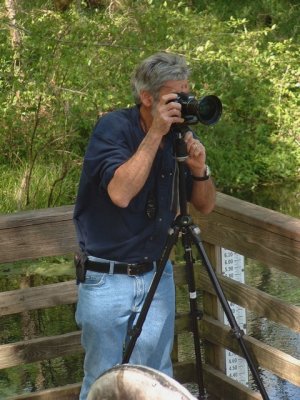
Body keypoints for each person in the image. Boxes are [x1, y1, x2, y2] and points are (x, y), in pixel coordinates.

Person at [73, 51, 216, 400]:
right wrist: (155, 134)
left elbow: (206, 205)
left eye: (187, 95)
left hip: (156, 273)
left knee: (156, 380)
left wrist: (199, 168)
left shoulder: (176, 137)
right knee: (103, 381)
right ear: (147, 97)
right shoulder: (114, 128)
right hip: (107, 279)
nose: (184, 105)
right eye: (175, 97)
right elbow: (120, 193)